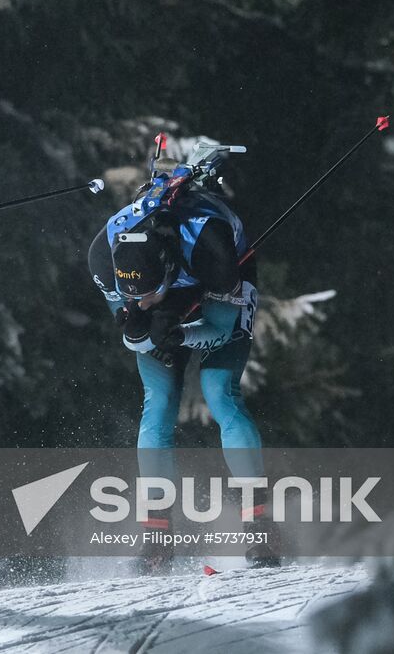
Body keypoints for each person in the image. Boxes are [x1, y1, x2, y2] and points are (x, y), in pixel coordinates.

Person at [87, 176, 280, 570]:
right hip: (172, 288)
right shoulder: (103, 257)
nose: (138, 302)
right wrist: (140, 325)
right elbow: (131, 328)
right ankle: (157, 535)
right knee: (157, 403)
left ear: (167, 268)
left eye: (146, 294)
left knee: (219, 388)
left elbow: (222, 329)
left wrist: (179, 332)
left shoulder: (213, 248)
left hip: (218, 281)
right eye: (131, 296)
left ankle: (260, 526)